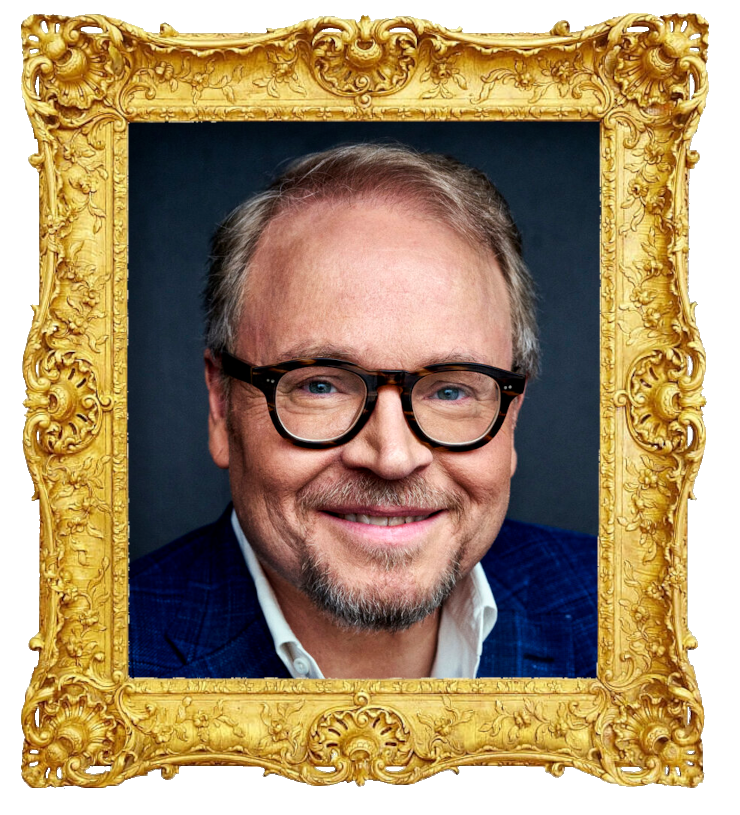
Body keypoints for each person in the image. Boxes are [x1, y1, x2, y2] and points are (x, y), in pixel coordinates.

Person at [130, 143, 597, 680]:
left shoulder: (631, 620)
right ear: (221, 404)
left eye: (450, 391)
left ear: (512, 415)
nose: (393, 457)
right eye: (322, 385)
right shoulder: (89, 668)